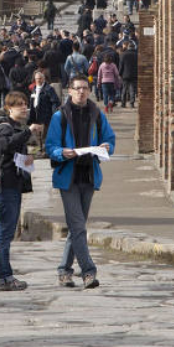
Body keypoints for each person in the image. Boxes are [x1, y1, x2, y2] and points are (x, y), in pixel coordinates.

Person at [45, 76, 116, 290]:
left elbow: (110, 139)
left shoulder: (97, 114)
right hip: (68, 177)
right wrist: (61, 153)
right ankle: (88, 272)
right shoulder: (60, 117)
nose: (82, 92)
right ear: (69, 91)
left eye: (85, 88)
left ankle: (64, 271)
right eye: (77, 89)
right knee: (77, 226)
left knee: (78, 228)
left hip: (89, 176)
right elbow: (50, 146)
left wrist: (106, 146)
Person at [0, 92, 43, 291]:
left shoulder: (16, 128)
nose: (24, 107)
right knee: (4, 234)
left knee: (7, 233)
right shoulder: (3, 127)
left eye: (25, 104)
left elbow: (15, 152)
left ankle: (4, 276)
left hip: (14, 185)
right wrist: (27, 131)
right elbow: (4, 146)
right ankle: (4, 277)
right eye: (19, 105)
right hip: (5, 187)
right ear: (9, 108)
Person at [28, 70, 61, 156]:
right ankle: (38, 151)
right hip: (35, 115)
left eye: (40, 78)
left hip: (46, 115)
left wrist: (54, 113)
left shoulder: (49, 89)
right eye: (36, 79)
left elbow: (55, 101)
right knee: (36, 134)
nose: (38, 80)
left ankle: (46, 151)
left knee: (45, 135)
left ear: (43, 79)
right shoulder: (34, 88)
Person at [119, 44, 139, 108]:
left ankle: (123, 103)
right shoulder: (137, 55)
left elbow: (121, 65)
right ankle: (132, 103)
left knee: (124, 89)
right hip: (134, 74)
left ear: (128, 47)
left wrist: (120, 73)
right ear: (134, 47)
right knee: (132, 89)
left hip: (125, 74)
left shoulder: (123, 54)